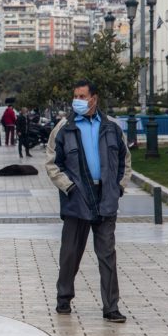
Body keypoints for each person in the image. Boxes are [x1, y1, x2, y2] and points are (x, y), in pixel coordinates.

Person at [45, 79, 130, 323]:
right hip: (76, 199)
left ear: (94, 98)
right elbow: (52, 162)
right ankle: (64, 298)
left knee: (107, 255)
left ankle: (111, 307)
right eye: (76, 96)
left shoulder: (112, 127)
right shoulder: (64, 127)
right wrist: (68, 187)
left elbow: (125, 160)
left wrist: (118, 188)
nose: (78, 101)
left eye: (82, 96)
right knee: (70, 253)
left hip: (105, 199)